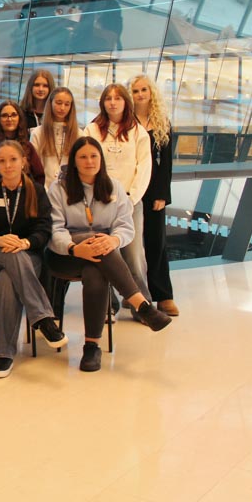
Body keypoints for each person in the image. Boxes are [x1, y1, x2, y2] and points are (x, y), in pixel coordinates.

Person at [47, 137, 171, 372]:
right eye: (83, 157)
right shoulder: (58, 188)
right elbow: (54, 229)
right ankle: (141, 305)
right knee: (95, 242)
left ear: (101, 159)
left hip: (102, 255)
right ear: (74, 161)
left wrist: (114, 240)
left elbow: (125, 226)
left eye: (94, 156)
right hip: (64, 255)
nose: (89, 161)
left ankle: (91, 347)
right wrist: (74, 248)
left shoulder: (114, 186)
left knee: (95, 271)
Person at [0, 140, 68, 379]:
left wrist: (26, 243)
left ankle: (3, 355)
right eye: (2, 161)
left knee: (8, 279)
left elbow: (44, 229)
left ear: (23, 161)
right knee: (11, 262)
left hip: (27, 254)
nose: (8, 165)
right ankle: (43, 318)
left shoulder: (36, 191)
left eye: (13, 159)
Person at [84, 83, 154, 316]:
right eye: (108, 98)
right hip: (99, 204)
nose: (113, 103)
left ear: (126, 102)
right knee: (103, 254)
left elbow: (144, 168)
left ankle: (142, 307)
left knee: (134, 257)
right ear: (102, 103)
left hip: (130, 204)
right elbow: (85, 163)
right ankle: (108, 305)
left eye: (118, 98)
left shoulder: (138, 132)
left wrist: (131, 199)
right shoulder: (92, 130)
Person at [130, 75, 178, 316]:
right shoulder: (126, 122)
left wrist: (162, 195)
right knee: (132, 246)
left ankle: (163, 295)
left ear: (151, 93)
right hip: (130, 188)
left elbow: (166, 163)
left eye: (144, 90)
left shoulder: (161, 122)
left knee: (156, 242)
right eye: (135, 91)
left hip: (153, 190)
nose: (140, 94)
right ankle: (136, 296)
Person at [29, 87, 80, 188]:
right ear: (50, 103)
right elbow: (33, 167)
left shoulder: (79, 134)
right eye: (59, 103)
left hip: (70, 190)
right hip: (44, 189)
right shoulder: (37, 133)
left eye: (67, 104)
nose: (62, 108)